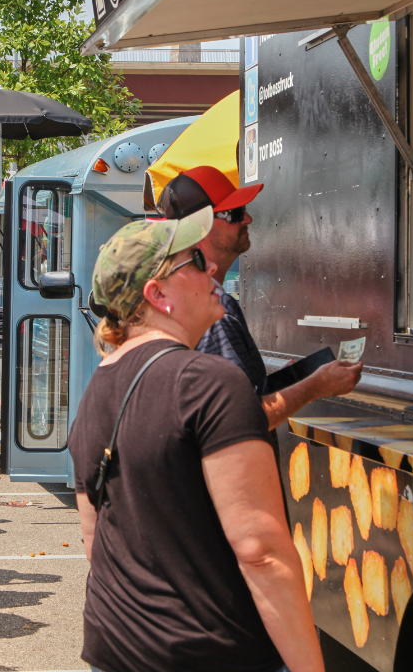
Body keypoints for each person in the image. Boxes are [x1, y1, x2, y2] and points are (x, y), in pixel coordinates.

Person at [69, 210, 362, 672]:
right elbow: (261, 551)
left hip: (117, 649)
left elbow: (94, 543)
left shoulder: (95, 391)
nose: (210, 270)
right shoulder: (208, 383)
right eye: (193, 261)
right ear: (158, 294)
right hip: (209, 652)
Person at [159, 167, 358, 437]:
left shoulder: (182, 298)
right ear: (198, 229)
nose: (248, 219)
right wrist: (315, 387)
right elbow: (239, 422)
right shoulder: (212, 311)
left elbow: (231, 398)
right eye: (236, 213)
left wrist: (287, 380)